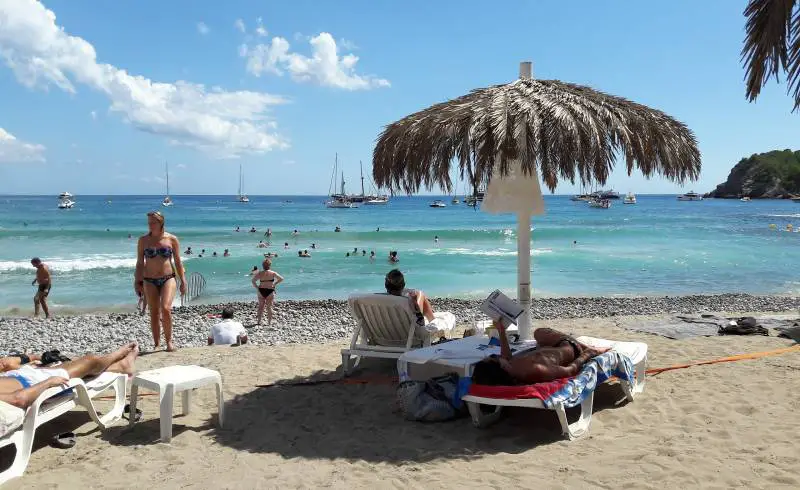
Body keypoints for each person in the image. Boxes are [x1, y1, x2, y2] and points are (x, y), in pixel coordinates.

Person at [0, 343, 139, 409]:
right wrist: (47, 383)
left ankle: (121, 366)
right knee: (90, 361)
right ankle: (118, 357)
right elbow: (19, 399)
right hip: (33, 382)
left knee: (71, 363)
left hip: (19, 375)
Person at [471, 320, 609, 385]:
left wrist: (501, 330)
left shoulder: (511, 368)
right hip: (570, 347)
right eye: (494, 357)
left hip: (549, 349)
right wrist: (588, 354)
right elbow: (569, 371)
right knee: (539, 332)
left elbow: (506, 356)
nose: (496, 355)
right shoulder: (535, 370)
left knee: (539, 335)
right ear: (501, 367)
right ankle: (586, 346)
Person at [134, 211, 186, 352]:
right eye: (149, 223)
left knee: (166, 308)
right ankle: (157, 344)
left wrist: (183, 281)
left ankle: (169, 342)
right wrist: (137, 280)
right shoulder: (143, 240)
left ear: (161, 223)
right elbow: (140, 263)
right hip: (149, 280)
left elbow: (178, 262)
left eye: (153, 223)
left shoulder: (172, 239)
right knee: (154, 312)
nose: (150, 225)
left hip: (168, 278)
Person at [383, 269, 454, 333]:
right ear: (403, 285)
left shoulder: (376, 300)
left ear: (386, 286)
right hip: (411, 337)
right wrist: (414, 301)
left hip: (384, 336)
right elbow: (420, 321)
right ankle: (433, 321)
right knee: (420, 294)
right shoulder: (407, 302)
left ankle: (433, 320)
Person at [251, 258, 284, 326]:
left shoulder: (260, 273)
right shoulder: (273, 273)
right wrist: (274, 284)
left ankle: (259, 322)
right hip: (270, 290)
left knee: (260, 307)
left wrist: (257, 287)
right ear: (270, 265)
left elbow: (253, 281)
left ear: (263, 266)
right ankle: (269, 322)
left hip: (261, 290)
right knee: (269, 307)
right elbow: (281, 279)